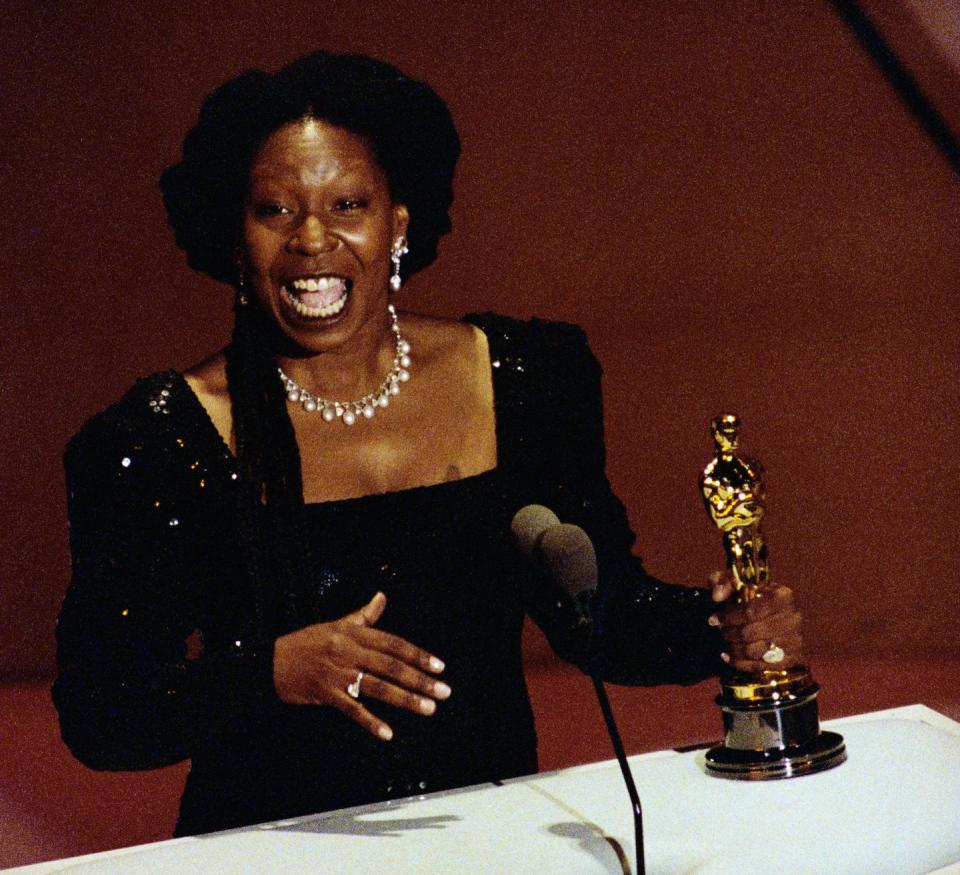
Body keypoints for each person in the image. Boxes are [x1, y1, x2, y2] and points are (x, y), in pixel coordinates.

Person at [54, 51, 804, 838]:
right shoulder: (160, 439)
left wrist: (720, 630)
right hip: (271, 855)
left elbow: (601, 614)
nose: (313, 239)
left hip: (491, 842)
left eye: (348, 203)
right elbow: (102, 712)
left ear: (397, 224)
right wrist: (269, 672)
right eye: (274, 210)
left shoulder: (518, 380)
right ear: (235, 241)